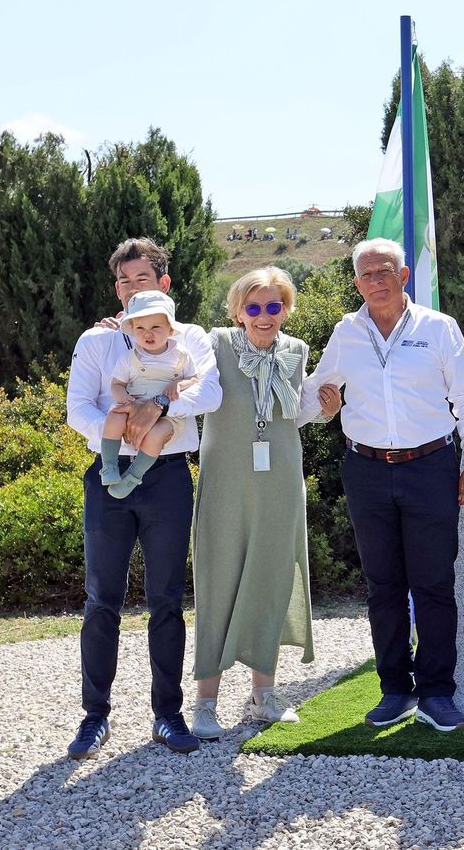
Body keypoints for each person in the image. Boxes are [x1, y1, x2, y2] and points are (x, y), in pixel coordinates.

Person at [299, 238, 464, 732]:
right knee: (383, 587)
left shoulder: (439, 329)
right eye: (366, 274)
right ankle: (395, 691)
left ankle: (437, 694)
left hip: (431, 467)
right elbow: (317, 391)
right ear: (356, 282)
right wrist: (319, 407)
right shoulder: (346, 331)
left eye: (385, 271)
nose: (375, 281)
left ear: (404, 276)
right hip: (366, 470)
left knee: (433, 585)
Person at [64, 237, 222, 759]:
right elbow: (78, 410)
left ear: (164, 284)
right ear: (117, 289)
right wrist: (130, 432)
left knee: (167, 601)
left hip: (168, 476)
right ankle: (94, 717)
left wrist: (159, 408)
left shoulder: (190, 337)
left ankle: (168, 715)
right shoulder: (96, 342)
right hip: (108, 478)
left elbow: (210, 393)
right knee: (100, 600)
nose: (134, 288)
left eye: (143, 279)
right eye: (125, 281)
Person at [187, 267, 317, 740]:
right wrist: (121, 326)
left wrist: (326, 407)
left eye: (274, 306)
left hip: (281, 481)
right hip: (225, 484)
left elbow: (295, 411)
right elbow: (161, 347)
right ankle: (206, 702)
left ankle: (264, 695)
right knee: (217, 581)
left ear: (286, 309)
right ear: (238, 310)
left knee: (272, 577)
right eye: (255, 307)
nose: (265, 316)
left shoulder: (297, 352)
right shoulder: (216, 344)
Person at [97, 290, 200, 498]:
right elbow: (116, 385)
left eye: (155, 327)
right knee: (114, 415)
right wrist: (123, 398)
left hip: (167, 415)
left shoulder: (180, 355)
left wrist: (179, 383)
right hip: (133, 406)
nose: (148, 333)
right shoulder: (129, 358)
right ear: (133, 330)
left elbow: (195, 379)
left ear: (170, 329)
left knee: (156, 434)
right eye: (140, 328)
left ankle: (133, 476)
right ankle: (109, 465)